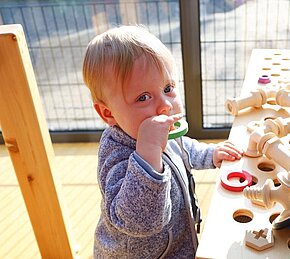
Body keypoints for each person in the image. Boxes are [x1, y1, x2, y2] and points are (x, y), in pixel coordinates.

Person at [82, 25, 243, 258]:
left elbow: (181, 147)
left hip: (178, 243)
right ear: (108, 114)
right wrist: (148, 152)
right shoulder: (116, 152)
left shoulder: (156, 131)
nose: (165, 105)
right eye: (143, 97)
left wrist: (211, 154)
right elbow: (140, 221)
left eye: (168, 88)